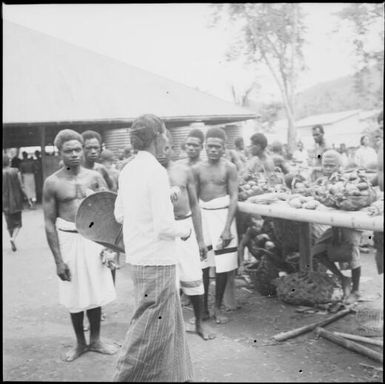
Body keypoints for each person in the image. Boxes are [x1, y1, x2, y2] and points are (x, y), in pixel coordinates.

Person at [113, 114, 193, 382]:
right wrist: (185, 230)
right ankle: (124, 377)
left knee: (167, 323)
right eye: (166, 134)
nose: (168, 139)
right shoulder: (156, 172)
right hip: (158, 259)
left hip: (139, 258)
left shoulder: (128, 169)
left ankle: (176, 376)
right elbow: (164, 228)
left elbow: (120, 214)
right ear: (157, 137)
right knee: (148, 329)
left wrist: (163, 198)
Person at [43, 129, 118, 362]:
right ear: (60, 153)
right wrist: (58, 260)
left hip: (93, 238)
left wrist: (109, 245)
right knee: (73, 291)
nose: (75, 154)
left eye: (78, 149)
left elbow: (109, 208)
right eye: (69, 151)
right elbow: (47, 222)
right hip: (68, 240)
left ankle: (95, 340)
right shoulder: (52, 182)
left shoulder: (93, 176)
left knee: (95, 289)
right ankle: (80, 343)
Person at [157, 132, 215, 341]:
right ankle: (168, 329)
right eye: (157, 148)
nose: (161, 153)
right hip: (162, 231)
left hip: (185, 227)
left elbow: (194, 205)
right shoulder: (151, 175)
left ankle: (199, 323)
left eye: (165, 148)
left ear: (172, 148)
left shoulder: (184, 171)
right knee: (165, 281)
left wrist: (200, 239)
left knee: (193, 276)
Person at [192, 127, 239, 324]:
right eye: (209, 146)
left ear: (223, 147)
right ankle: (202, 309)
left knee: (223, 266)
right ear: (204, 147)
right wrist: (198, 232)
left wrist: (227, 227)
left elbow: (234, 196)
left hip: (223, 217)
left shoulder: (229, 167)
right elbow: (194, 201)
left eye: (217, 147)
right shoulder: (197, 169)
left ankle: (217, 307)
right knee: (203, 264)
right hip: (204, 217)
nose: (213, 150)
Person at [311, 150, 363, 303]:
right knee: (317, 251)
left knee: (353, 254)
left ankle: (356, 290)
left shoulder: (347, 179)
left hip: (350, 223)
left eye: (331, 165)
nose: (328, 168)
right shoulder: (324, 181)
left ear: (339, 166)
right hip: (335, 223)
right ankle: (343, 279)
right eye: (325, 165)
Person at [3, 154, 29, 251]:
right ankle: (13, 238)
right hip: (16, 201)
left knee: (9, 224)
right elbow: (21, 186)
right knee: (18, 224)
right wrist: (27, 198)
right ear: (9, 161)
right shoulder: (16, 171)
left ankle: (11, 239)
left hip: (5, 202)